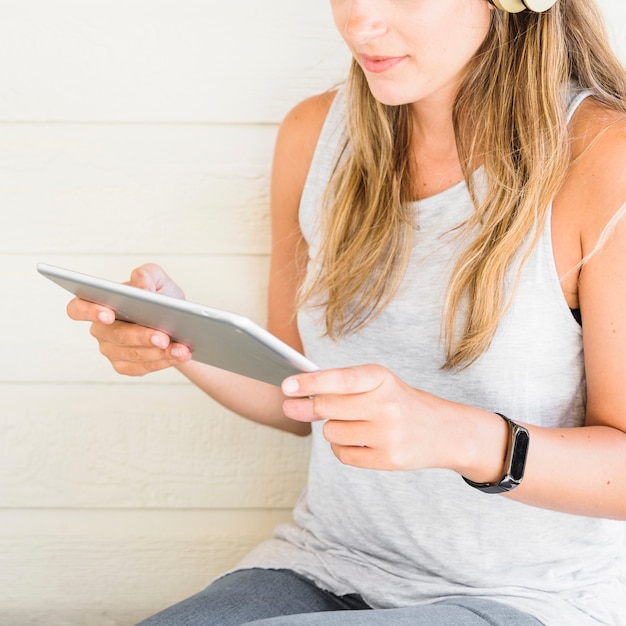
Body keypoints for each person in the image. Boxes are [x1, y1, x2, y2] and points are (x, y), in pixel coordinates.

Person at [66, 0, 626, 624]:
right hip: (322, 566)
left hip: (528, 601)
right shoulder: (314, 137)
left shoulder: (607, 159)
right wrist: (179, 337)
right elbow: (296, 398)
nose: (360, 24)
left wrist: (459, 436)